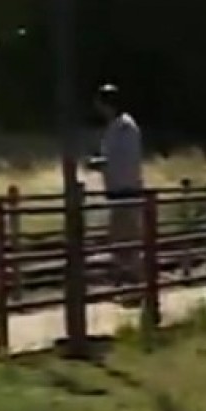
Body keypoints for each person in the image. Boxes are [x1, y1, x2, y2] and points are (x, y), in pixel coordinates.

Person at [87, 84, 144, 287]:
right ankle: (127, 278)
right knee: (120, 238)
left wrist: (100, 163)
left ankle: (135, 280)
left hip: (125, 190)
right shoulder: (115, 128)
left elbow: (122, 160)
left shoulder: (124, 128)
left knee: (126, 237)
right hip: (118, 191)